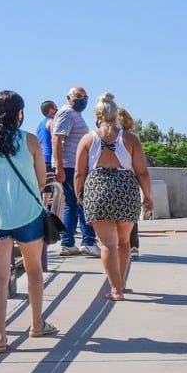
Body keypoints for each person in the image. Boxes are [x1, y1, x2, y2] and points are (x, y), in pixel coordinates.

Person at [0, 90, 58, 354]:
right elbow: (42, 183)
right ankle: (36, 323)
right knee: (33, 271)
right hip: (28, 216)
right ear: (19, 113)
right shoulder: (30, 141)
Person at [74, 92, 154, 301]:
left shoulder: (87, 139)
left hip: (98, 189)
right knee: (124, 242)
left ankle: (115, 289)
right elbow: (142, 171)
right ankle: (122, 283)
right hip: (126, 189)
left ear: (98, 115)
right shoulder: (129, 139)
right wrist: (147, 195)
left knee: (107, 245)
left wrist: (79, 194)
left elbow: (79, 172)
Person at [52, 86, 99, 257]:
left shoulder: (74, 114)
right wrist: (59, 167)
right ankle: (88, 241)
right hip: (71, 165)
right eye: (79, 96)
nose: (83, 99)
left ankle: (68, 243)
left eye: (86, 96)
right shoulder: (67, 113)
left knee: (72, 204)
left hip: (74, 165)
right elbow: (57, 139)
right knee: (82, 201)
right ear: (69, 97)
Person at [117, 106, 142, 261]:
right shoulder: (131, 138)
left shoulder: (130, 138)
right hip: (127, 183)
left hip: (123, 182)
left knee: (129, 219)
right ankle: (129, 247)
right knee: (129, 218)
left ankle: (131, 247)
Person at [37, 100, 58, 171]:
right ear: (51, 110)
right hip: (49, 159)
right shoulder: (51, 122)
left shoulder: (40, 125)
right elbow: (55, 141)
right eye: (56, 108)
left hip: (39, 158)